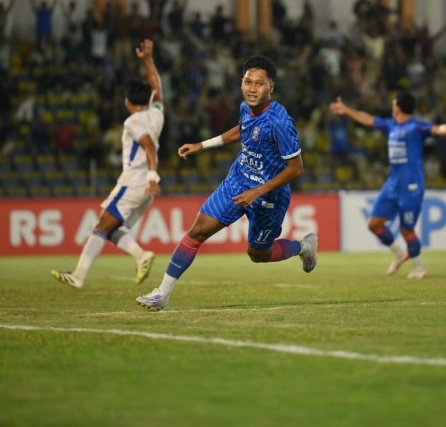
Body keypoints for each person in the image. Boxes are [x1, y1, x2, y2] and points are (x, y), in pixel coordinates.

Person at [136, 55, 318, 311]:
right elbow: (242, 130)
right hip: (237, 181)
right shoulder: (246, 107)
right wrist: (202, 145)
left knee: (257, 255)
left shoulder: (280, 122)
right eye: (247, 82)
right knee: (197, 231)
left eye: (259, 84)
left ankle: (304, 246)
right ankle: (162, 294)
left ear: (271, 87)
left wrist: (259, 191)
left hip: (269, 197)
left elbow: (296, 168)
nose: (252, 89)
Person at [52, 38, 164, 289]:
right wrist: (148, 60)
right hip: (144, 188)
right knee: (111, 228)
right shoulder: (156, 115)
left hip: (135, 182)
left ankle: (79, 276)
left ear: (128, 102)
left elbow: (147, 145)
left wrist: (151, 177)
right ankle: (140, 255)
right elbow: (157, 86)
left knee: (101, 225)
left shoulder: (133, 121)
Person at [328, 93, 446, 278]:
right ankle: (399, 254)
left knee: (406, 229)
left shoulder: (416, 127)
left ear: (398, 107)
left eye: (393, 104)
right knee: (374, 224)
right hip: (393, 185)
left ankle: (419, 268)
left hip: (411, 186)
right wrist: (347, 110)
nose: (392, 107)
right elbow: (367, 119)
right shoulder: (390, 126)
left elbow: (439, 129)